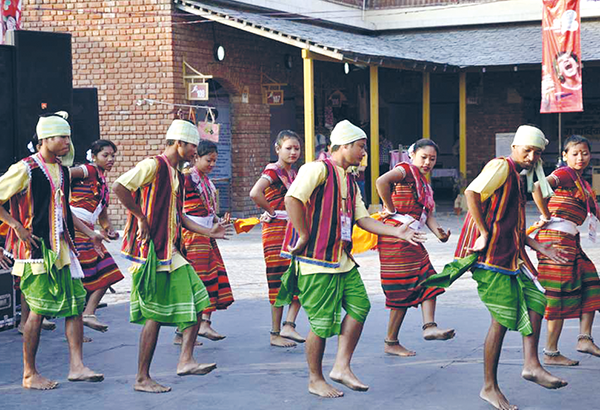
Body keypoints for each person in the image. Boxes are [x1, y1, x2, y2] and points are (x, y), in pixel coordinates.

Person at [277, 119, 425, 398]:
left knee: (360, 306)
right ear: (343, 145)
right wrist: (303, 235)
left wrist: (398, 232)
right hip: (315, 262)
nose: (363, 152)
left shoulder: (349, 178)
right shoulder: (316, 169)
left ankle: (341, 367)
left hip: (342, 260)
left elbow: (363, 219)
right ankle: (315, 378)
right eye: (360, 146)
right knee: (321, 324)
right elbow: (292, 199)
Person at [447, 125, 568, 409]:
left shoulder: (518, 176)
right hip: (490, 259)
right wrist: (483, 232)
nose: (531, 156)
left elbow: (508, 222)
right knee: (501, 320)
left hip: (510, 257)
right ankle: (489, 387)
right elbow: (472, 193)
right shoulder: (501, 166)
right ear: (514, 147)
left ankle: (531, 364)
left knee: (538, 299)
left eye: (537, 152)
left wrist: (538, 246)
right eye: (527, 149)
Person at [113, 119, 228, 393]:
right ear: (179, 144)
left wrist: (209, 232)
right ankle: (142, 378)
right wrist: (139, 216)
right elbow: (120, 186)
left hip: (171, 251)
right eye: (192, 147)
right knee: (154, 315)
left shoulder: (177, 173)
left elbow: (179, 216)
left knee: (200, 299)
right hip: (151, 253)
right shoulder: (153, 165)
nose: (194, 152)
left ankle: (186, 360)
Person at [0, 112, 104, 389]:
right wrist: (16, 226)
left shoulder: (61, 170)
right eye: (62, 137)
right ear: (45, 139)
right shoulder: (25, 168)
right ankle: (28, 373)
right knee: (36, 312)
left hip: (62, 250)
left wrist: (91, 233)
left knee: (75, 307)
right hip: (36, 252)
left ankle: (77, 366)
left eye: (68, 137)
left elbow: (64, 211)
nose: (68, 142)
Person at [375, 139, 454, 357]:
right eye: (424, 157)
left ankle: (428, 327)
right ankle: (393, 341)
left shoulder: (424, 185)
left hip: (411, 238)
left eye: (432, 159)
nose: (428, 162)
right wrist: (390, 209)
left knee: (427, 278)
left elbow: (427, 215)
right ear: (412, 156)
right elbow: (381, 181)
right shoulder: (405, 170)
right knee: (402, 288)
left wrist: (440, 234)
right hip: (396, 238)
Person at [531, 135, 600, 366]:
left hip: (571, 240)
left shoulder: (583, 182)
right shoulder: (565, 174)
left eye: (585, 153)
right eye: (575, 153)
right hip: (555, 240)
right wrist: (546, 215)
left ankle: (584, 338)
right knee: (557, 294)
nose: (580, 157)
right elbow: (537, 188)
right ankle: (550, 353)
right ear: (564, 156)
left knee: (591, 282)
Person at [250, 130, 305, 347]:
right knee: (278, 280)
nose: (293, 152)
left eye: (296, 148)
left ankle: (289, 325)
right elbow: (255, 193)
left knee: (299, 277)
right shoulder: (273, 171)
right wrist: (271, 211)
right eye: (288, 148)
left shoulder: (293, 174)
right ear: (277, 149)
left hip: (291, 230)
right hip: (276, 232)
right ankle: (275, 333)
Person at [177, 139, 234, 344]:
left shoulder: (206, 182)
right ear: (196, 158)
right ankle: (185, 330)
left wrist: (219, 220)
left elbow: (208, 211)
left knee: (212, 278)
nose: (212, 165)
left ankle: (203, 324)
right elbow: (182, 210)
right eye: (208, 160)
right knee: (198, 281)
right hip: (194, 236)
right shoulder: (186, 179)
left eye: (214, 161)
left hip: (208, 235)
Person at [70, 140, 124, 333]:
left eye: (112, 155)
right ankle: (84, 317)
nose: (110, 159)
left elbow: (103, 216)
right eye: (105, 155)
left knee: (106, 272)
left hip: (90, 232)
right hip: (76, 230)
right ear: (94, 157)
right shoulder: (88, 170)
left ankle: (86, 316)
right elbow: (63, 176)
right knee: (100, 272)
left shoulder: (102, 182)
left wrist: (109, 229)